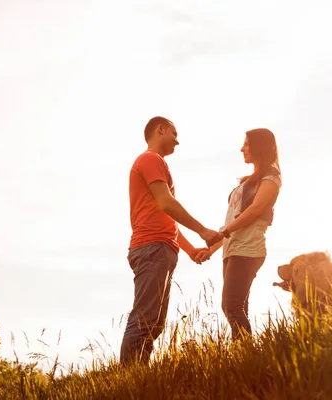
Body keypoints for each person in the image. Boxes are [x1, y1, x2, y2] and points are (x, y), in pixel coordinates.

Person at [120, 116, 223, 364]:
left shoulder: (155, 163)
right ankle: (126, 379)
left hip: (159, 247)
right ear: (160, 129)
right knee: (145, 319)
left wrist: (188, 250)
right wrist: (203, 230)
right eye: (174, 133)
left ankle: (138, 376)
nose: (177, 140)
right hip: (151, 248)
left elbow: (166, 217)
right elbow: (167, 203)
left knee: (154, 324)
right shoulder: (151, 160)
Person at [199, 128, 282, 340]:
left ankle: (247, 356)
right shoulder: (247, 181)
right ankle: (242, 357)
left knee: (231, 306)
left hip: (248, 250)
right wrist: (212, 248)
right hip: (233, 250)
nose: (242, 148)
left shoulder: (271, 177)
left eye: (246, 144)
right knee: (238, 308)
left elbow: (254, 211)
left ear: (259, 146)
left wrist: (222, 233)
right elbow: (232, 222)